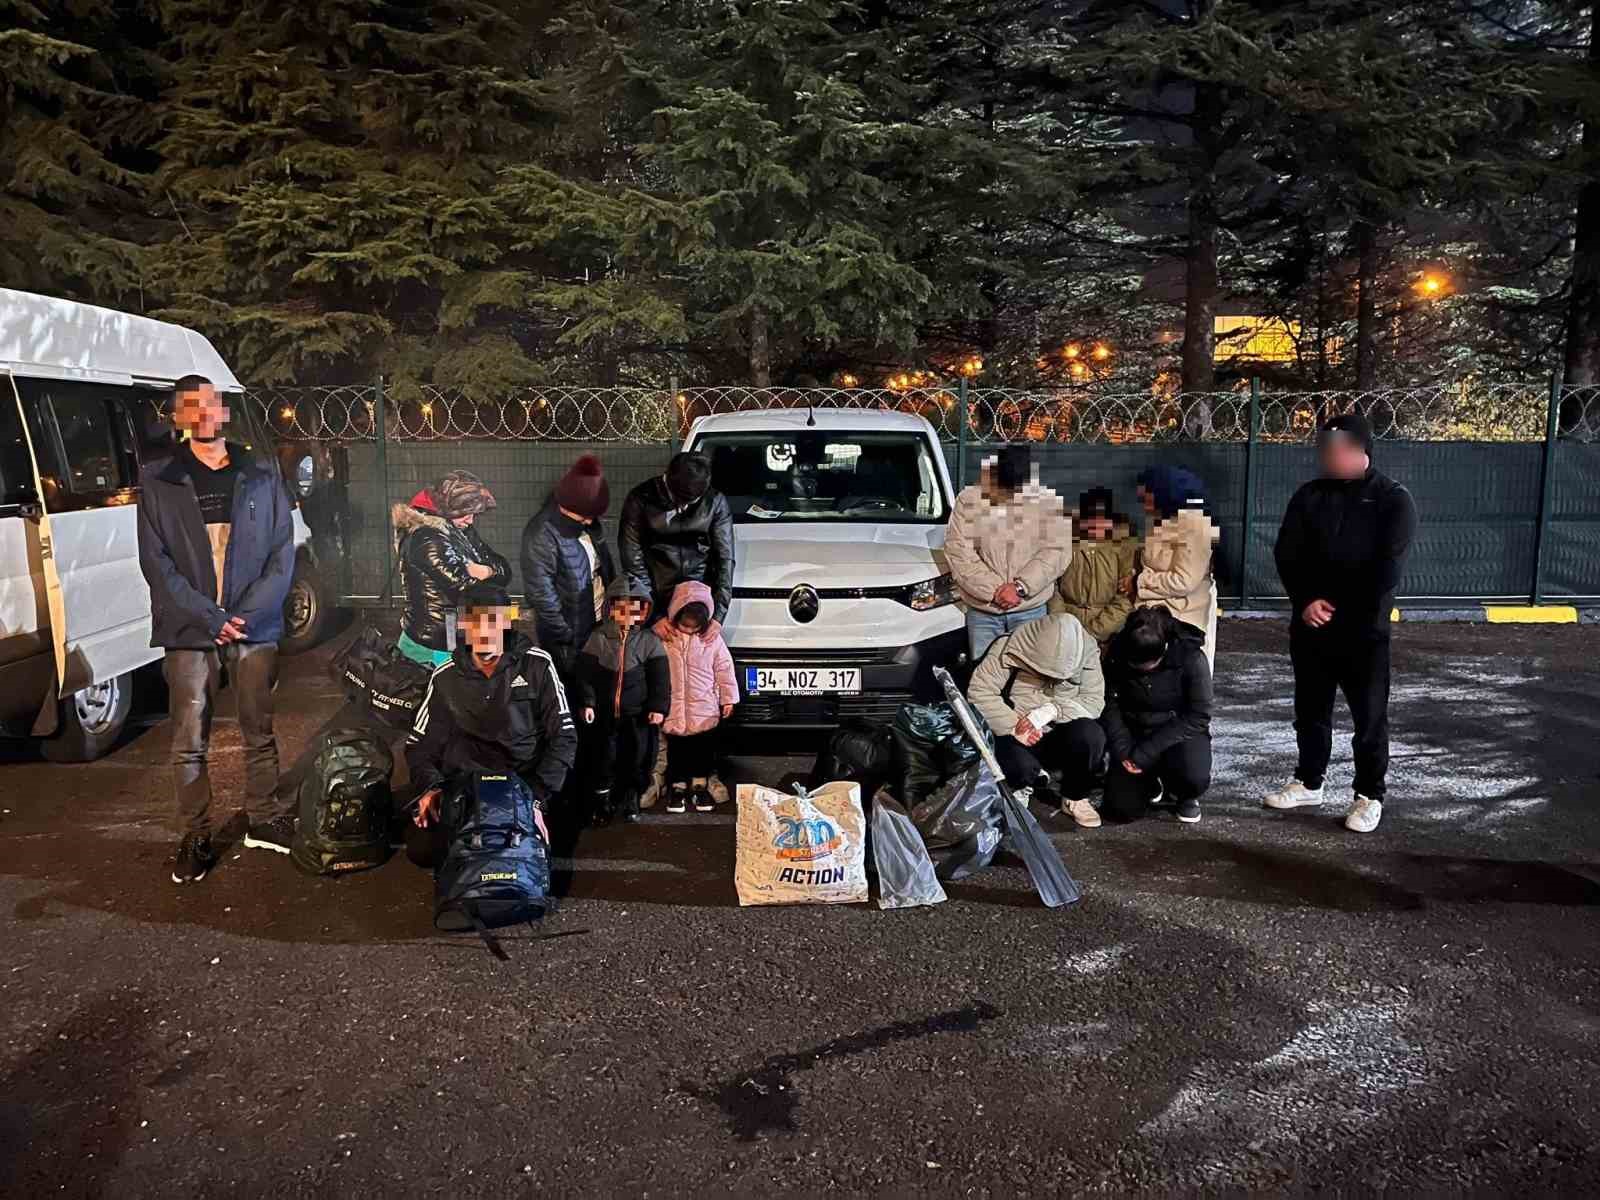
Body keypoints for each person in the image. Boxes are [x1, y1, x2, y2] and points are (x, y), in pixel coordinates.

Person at [136, 374, 296, 884]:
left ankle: (265, 819)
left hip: (254, 622)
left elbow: (281, 552)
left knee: (259, 729)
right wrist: (212, 617)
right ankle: (197, 833)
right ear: (180, 417)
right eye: (191, 405)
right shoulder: (159, 480)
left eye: (210, 402)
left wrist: (246, 613)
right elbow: (158, 565)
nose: (203, 411)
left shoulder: (263, 473)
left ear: (222, 411)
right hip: (190, 627)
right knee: (189, 738)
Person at [1266, 412, 1418, 833]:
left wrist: (1338, 608)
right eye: (1323, 449)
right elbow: (1287, 553)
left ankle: (1369, 795)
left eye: (1335, 449)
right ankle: (1308, 781)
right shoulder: (1309, 495)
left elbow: (1385, 570)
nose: (1327, 457)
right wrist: (1305, 601)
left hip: (1363, 633)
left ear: (1359, 449)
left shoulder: (1393, 499)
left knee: (1368, 718)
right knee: (1311, 710)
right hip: (1310, 626)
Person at [405, 582, 578, 864]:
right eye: (476, 621)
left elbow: (565, 736)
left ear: (507, 622)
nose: (485, 631)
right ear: (463, 625)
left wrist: (536, 797)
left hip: (522, 782)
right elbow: (420, 744)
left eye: (493, 620)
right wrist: (431, 787)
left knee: (526, 856)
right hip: (466, 784)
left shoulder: (537, 664)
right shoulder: (445, 676)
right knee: (424, 851)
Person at [968, 611, 1106, 829]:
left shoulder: (1088, 650)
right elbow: (980, 692)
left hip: (1059, 729)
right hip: (1014, 729)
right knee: (1019, 765)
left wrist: (1051, 711)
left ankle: (1074, 796)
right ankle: (1019, 788)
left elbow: (1094, 701)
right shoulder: (1008, 646)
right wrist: (1014, 725)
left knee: (1091, 734)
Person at [944, 446, 1072, 661]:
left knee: (1028, 680)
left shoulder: (1047, 503)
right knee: (983, 680)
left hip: (1029, 609)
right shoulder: (969, 500)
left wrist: (1020, 587)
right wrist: (995, 591)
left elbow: (1057, 551)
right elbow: (959, 552)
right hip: (984, 611)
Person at [1100, 604, 1213, 825]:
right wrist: (1124, 752)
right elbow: (1109, 705)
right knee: (1121, 809)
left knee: (1193, 776)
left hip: (1178, 733)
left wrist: (1144, 753)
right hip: (1133, 730)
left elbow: (1198, 715)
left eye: (1152, 664)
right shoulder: (1115, 654)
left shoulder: (1191, 657)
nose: (1145, 670)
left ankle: (1183, 794)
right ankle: (1149, 782)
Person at [576, 577, 671, 825]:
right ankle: (602, 802)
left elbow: (660, 680)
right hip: (604, 715)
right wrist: (587, 702)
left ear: (644, 611)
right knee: (602, 758)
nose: (627, 614)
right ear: (610, 608)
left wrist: (658, 708)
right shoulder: (598, 638)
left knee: (636, 757)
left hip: (637, 715)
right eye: (621, 608)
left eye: (634, 609)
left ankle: (631, 798)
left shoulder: (650, 642)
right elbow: (585, 675)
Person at [392, 470, 511, 668]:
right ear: (447, 509)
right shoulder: (427, 537)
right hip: (437, 642)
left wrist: (487, 572)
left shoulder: (457, 529)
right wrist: (487, 575)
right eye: (465, 513)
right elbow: (466, 590)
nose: (470, 520)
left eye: (473, 513)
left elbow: (504, 570)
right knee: (440, 694)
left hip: (454, 636)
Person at [619, 451, 735, 643]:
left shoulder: (715, 501)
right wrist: (653, 615)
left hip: (697, 604)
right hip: (655, 595)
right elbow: (632, 561)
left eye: (694, 501)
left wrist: (718, 615)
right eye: (683, 501)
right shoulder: (641, 499)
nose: (685, 507)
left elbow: (725, 558)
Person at [519, 454, 614, 681]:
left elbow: (603, 570)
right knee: (573, 696)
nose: (590, 521)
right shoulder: (541, 533)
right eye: (584, 516)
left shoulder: (588, 525)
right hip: (569, 638)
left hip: (598, 625)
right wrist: (566, 636)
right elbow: (542, 595)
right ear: (566, 506)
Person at [659, 580, 740, 814]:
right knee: (676, 751)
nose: (689, 631)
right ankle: (677, 787)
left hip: (704, 709)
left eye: (694, 627)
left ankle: (699, 785)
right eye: (685, 626)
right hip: (674, 709)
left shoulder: (712, 640)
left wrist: (728, 698)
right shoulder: (666, 638)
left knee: (702, 751)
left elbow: (724, 668)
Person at [1133, 465, 1219, 670]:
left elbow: (1184, 580)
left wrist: (1140, 582)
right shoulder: (1159, 522)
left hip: (1180, 621)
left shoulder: (1195, 526)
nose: (1143, 505)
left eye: (1146, 498)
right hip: (1150, 614)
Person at [1048, 487, 1140, 647]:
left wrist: (1094, 632)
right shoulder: (1065, 543)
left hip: (1108, 632)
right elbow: (1052, 586)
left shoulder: (1124, 548)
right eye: (1089, 520)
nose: (1095, 526)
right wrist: (1063, 624)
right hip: (1065, 625)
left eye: (1102, 521)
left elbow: (1125, 599)